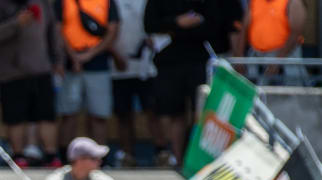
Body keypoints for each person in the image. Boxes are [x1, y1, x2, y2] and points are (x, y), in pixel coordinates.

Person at [144, 0, 238, 165]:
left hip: (200, 63)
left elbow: (215, 26)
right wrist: (177, 23)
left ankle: (197, 161)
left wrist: (184, 28)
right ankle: (179, 160)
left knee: (201, 113)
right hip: (169, 64)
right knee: (173, 114)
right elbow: (149, 24)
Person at [0, 0, 63, 167]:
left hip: (41, 69)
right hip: (11, 73)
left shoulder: (43, 3)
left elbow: (53, 33)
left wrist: (58, 60)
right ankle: (18, 156)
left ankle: (50, 155)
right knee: (15, 117)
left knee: (47, 115)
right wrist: (16, 23)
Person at [55, 0, 120, 150]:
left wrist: (89, 55)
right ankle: (66, 159)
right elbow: (58, 29)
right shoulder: (63, 2)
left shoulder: (107, 2)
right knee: (68, 114)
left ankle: (99, 159)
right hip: (70, 66)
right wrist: (73, 56)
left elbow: (113, 30)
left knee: (99, 114)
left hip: (98, 65)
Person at [110, 0, 166, 168]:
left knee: (152, 111)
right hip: (119, 68)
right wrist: (114, 54)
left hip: (146, 68)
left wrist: (154, 42)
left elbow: (158, 26)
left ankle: (161, 152)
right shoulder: (112, 3)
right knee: (123, 114)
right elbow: (106, 28)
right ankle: (127, 155)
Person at [236, 0, 309, 85]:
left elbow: (296, 33)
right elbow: (244, 29)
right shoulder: (255, 2)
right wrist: (239, 58)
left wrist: (277, 61)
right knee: (255, 91)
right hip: (257, 57)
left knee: (290, 93)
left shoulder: (293, 2)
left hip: (285, 58)